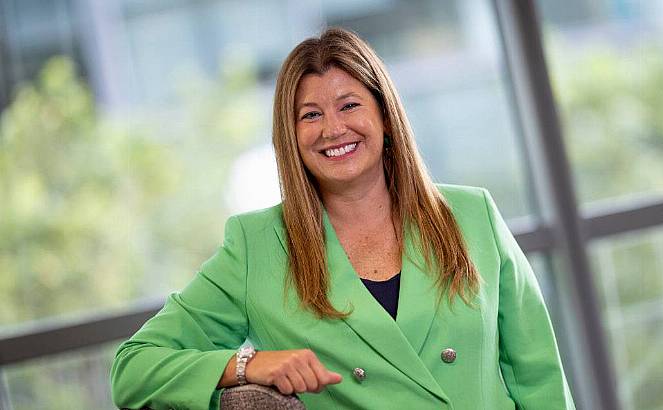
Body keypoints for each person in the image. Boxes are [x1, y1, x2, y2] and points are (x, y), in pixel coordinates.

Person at [110, 27, 575, 410]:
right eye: (310, 115)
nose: (333, 129)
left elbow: (539, 379)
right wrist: (248, 365)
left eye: (349, 105)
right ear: (290, 138)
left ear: (386, 116)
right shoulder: (257, 246)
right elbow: (133, 368)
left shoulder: (472, 215)